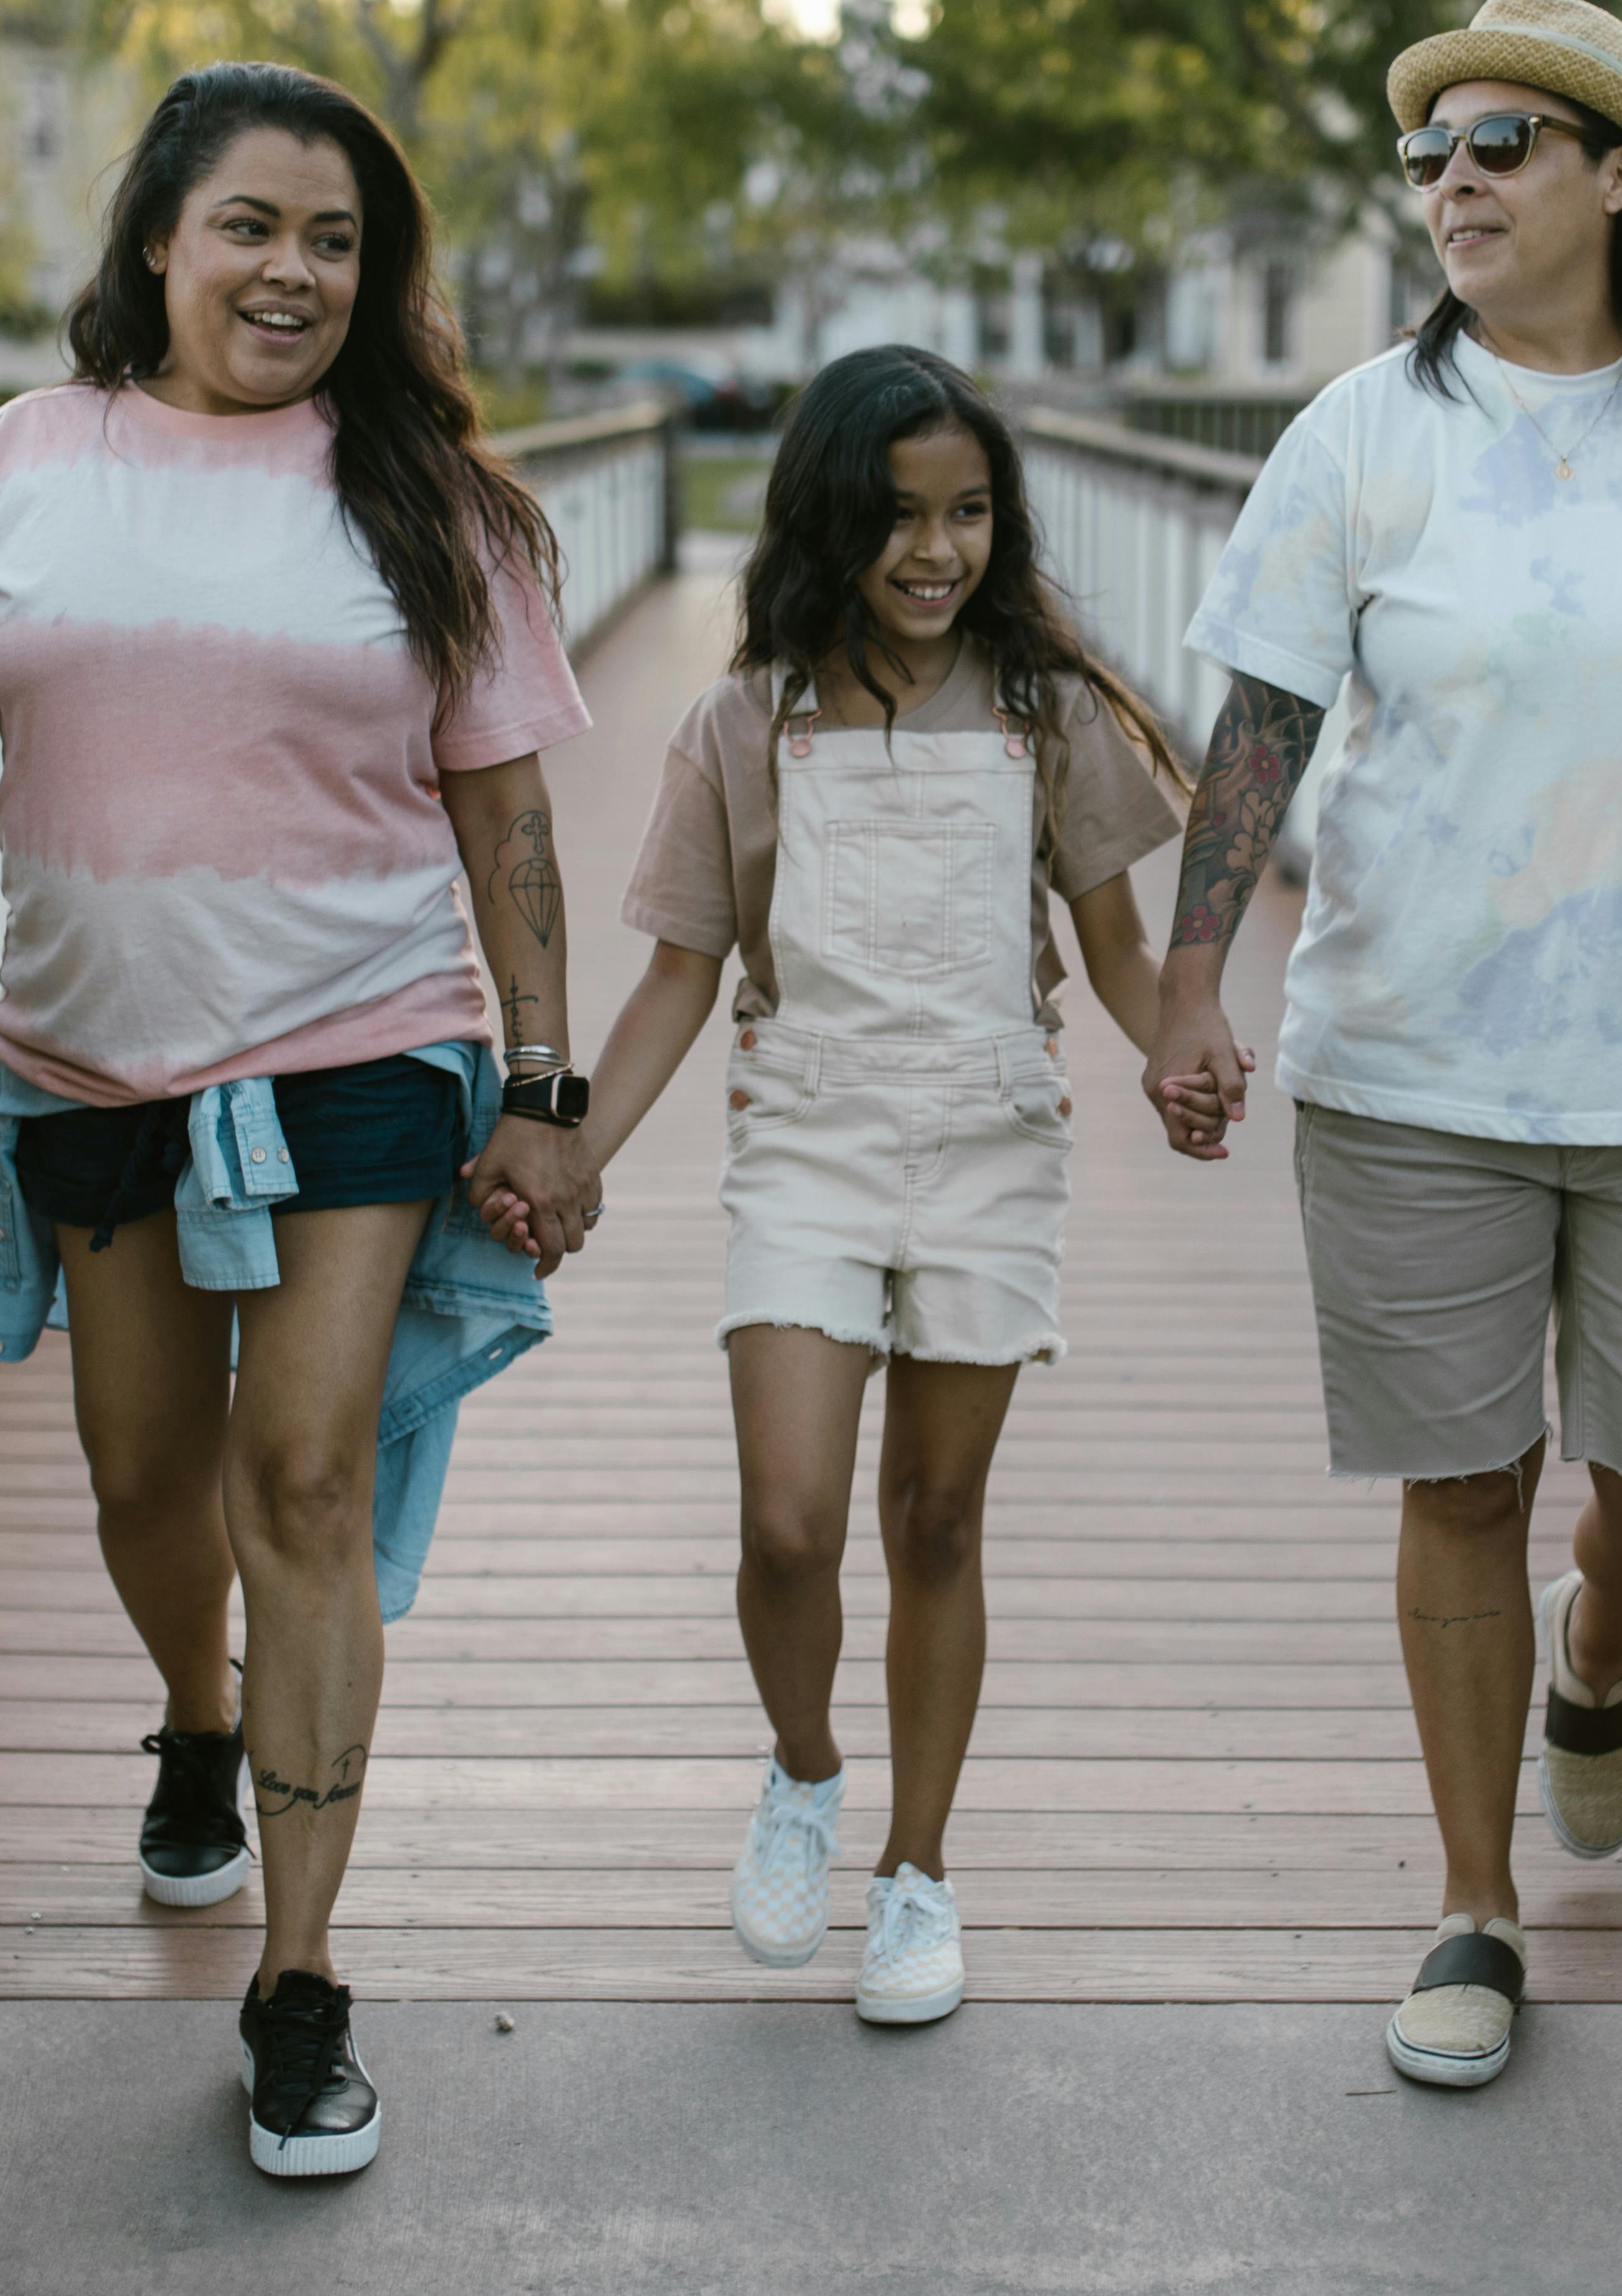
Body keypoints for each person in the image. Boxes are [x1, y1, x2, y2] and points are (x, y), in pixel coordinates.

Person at [0, 62, 603, 2180]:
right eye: (254, 226)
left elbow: (506, 807)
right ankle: (195, 1716)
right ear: (160, 239)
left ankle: (299, 1981)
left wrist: (541, 1086)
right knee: (138, 1473)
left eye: (337, 240)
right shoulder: (27, 459)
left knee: (303, 1476)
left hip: (362, 1048)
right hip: (89, 1064)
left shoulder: (422, 493)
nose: (293, 271)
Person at [1145, 0, 1622, 2092]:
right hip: (1409, 1058)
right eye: (1430, 155)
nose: (1452, 182)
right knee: (1460, 1475)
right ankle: (1473, 1908)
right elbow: (1261, 726)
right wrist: (1189, 975)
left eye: (1497, 144)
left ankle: (1602, 1648)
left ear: (1616, 175)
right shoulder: (1362, 432)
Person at [492, 346, 1182, 2024]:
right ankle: (803, 1772)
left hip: (986, 1138)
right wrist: (574, 1143)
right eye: (893, 519)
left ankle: (917, 1871)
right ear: (824, 524)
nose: (933, 551)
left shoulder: (1047, 715)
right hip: (803, 1129)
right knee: (790, 1520)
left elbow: (1117, 951)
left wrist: (1183, 1050)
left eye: (965, 515)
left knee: (936, 1522)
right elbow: (677, 975)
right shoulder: (748, 724)